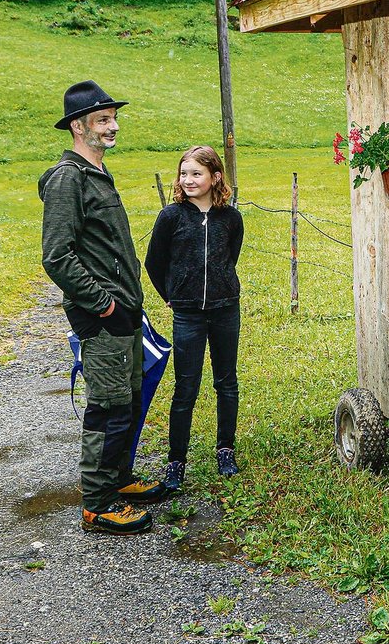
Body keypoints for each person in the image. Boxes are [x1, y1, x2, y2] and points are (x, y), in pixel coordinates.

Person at [39, 80, 166, 535]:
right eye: (102, 120)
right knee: (108, 407)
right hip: (103, 316)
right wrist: (104, 305)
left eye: (113, 118)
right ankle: (97, 502)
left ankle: (119, 480)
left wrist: (128, 303)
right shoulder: (67, 178)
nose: (112, 126)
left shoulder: (96, 172)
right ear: (78, 127)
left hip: (125, 311)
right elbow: (56, 255)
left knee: (128, 400)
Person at [144, 145, 245, 489]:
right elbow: (154, 263)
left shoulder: (230, 218)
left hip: (225, 309)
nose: (188, 180)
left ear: (215, 177)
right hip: (187, 314)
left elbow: (230, 256)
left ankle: (225, 448)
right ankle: (176, 460)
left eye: (196, 174)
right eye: (184, 173)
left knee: (226, 382)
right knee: (186, 386)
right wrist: (171, 295)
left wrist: (220, 285)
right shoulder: (171, 217)